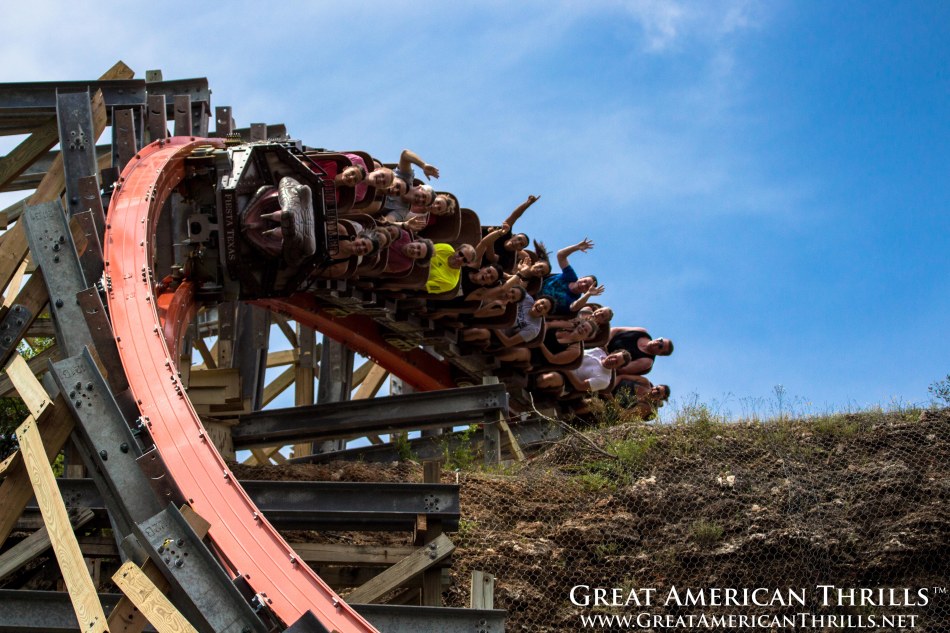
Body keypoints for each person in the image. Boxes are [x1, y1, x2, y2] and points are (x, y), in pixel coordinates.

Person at [541, 238, 600, 315]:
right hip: (534, 286)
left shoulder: (575, 299)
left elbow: (574, 307)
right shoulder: (570, 276)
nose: (583, 285)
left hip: (539, 309)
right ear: (581, 278)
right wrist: (576, 247)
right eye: (584, 281)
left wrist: (588, 294)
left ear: (586, 291)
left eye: (587, 286)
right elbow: (561, 255)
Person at [535, 348, 632, 393]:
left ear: (618, 367)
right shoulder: (598, 351)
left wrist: (566, 371)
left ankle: (530, 387)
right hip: (565, 362)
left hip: (568, 381)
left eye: (616, 362)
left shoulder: (604, 380)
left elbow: (580, 386)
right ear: (613, 352)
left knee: (548, 378)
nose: (613, 360)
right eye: (615, 356)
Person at [607, 326, 674, 377]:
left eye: (660, 346)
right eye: (660, 340)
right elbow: (616, 330)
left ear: (660, 354)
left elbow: (621, 370)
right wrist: (604, 343)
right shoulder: (642, 331)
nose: (657, 343)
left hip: (607, 360)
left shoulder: (647, 361)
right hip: (604, 340)